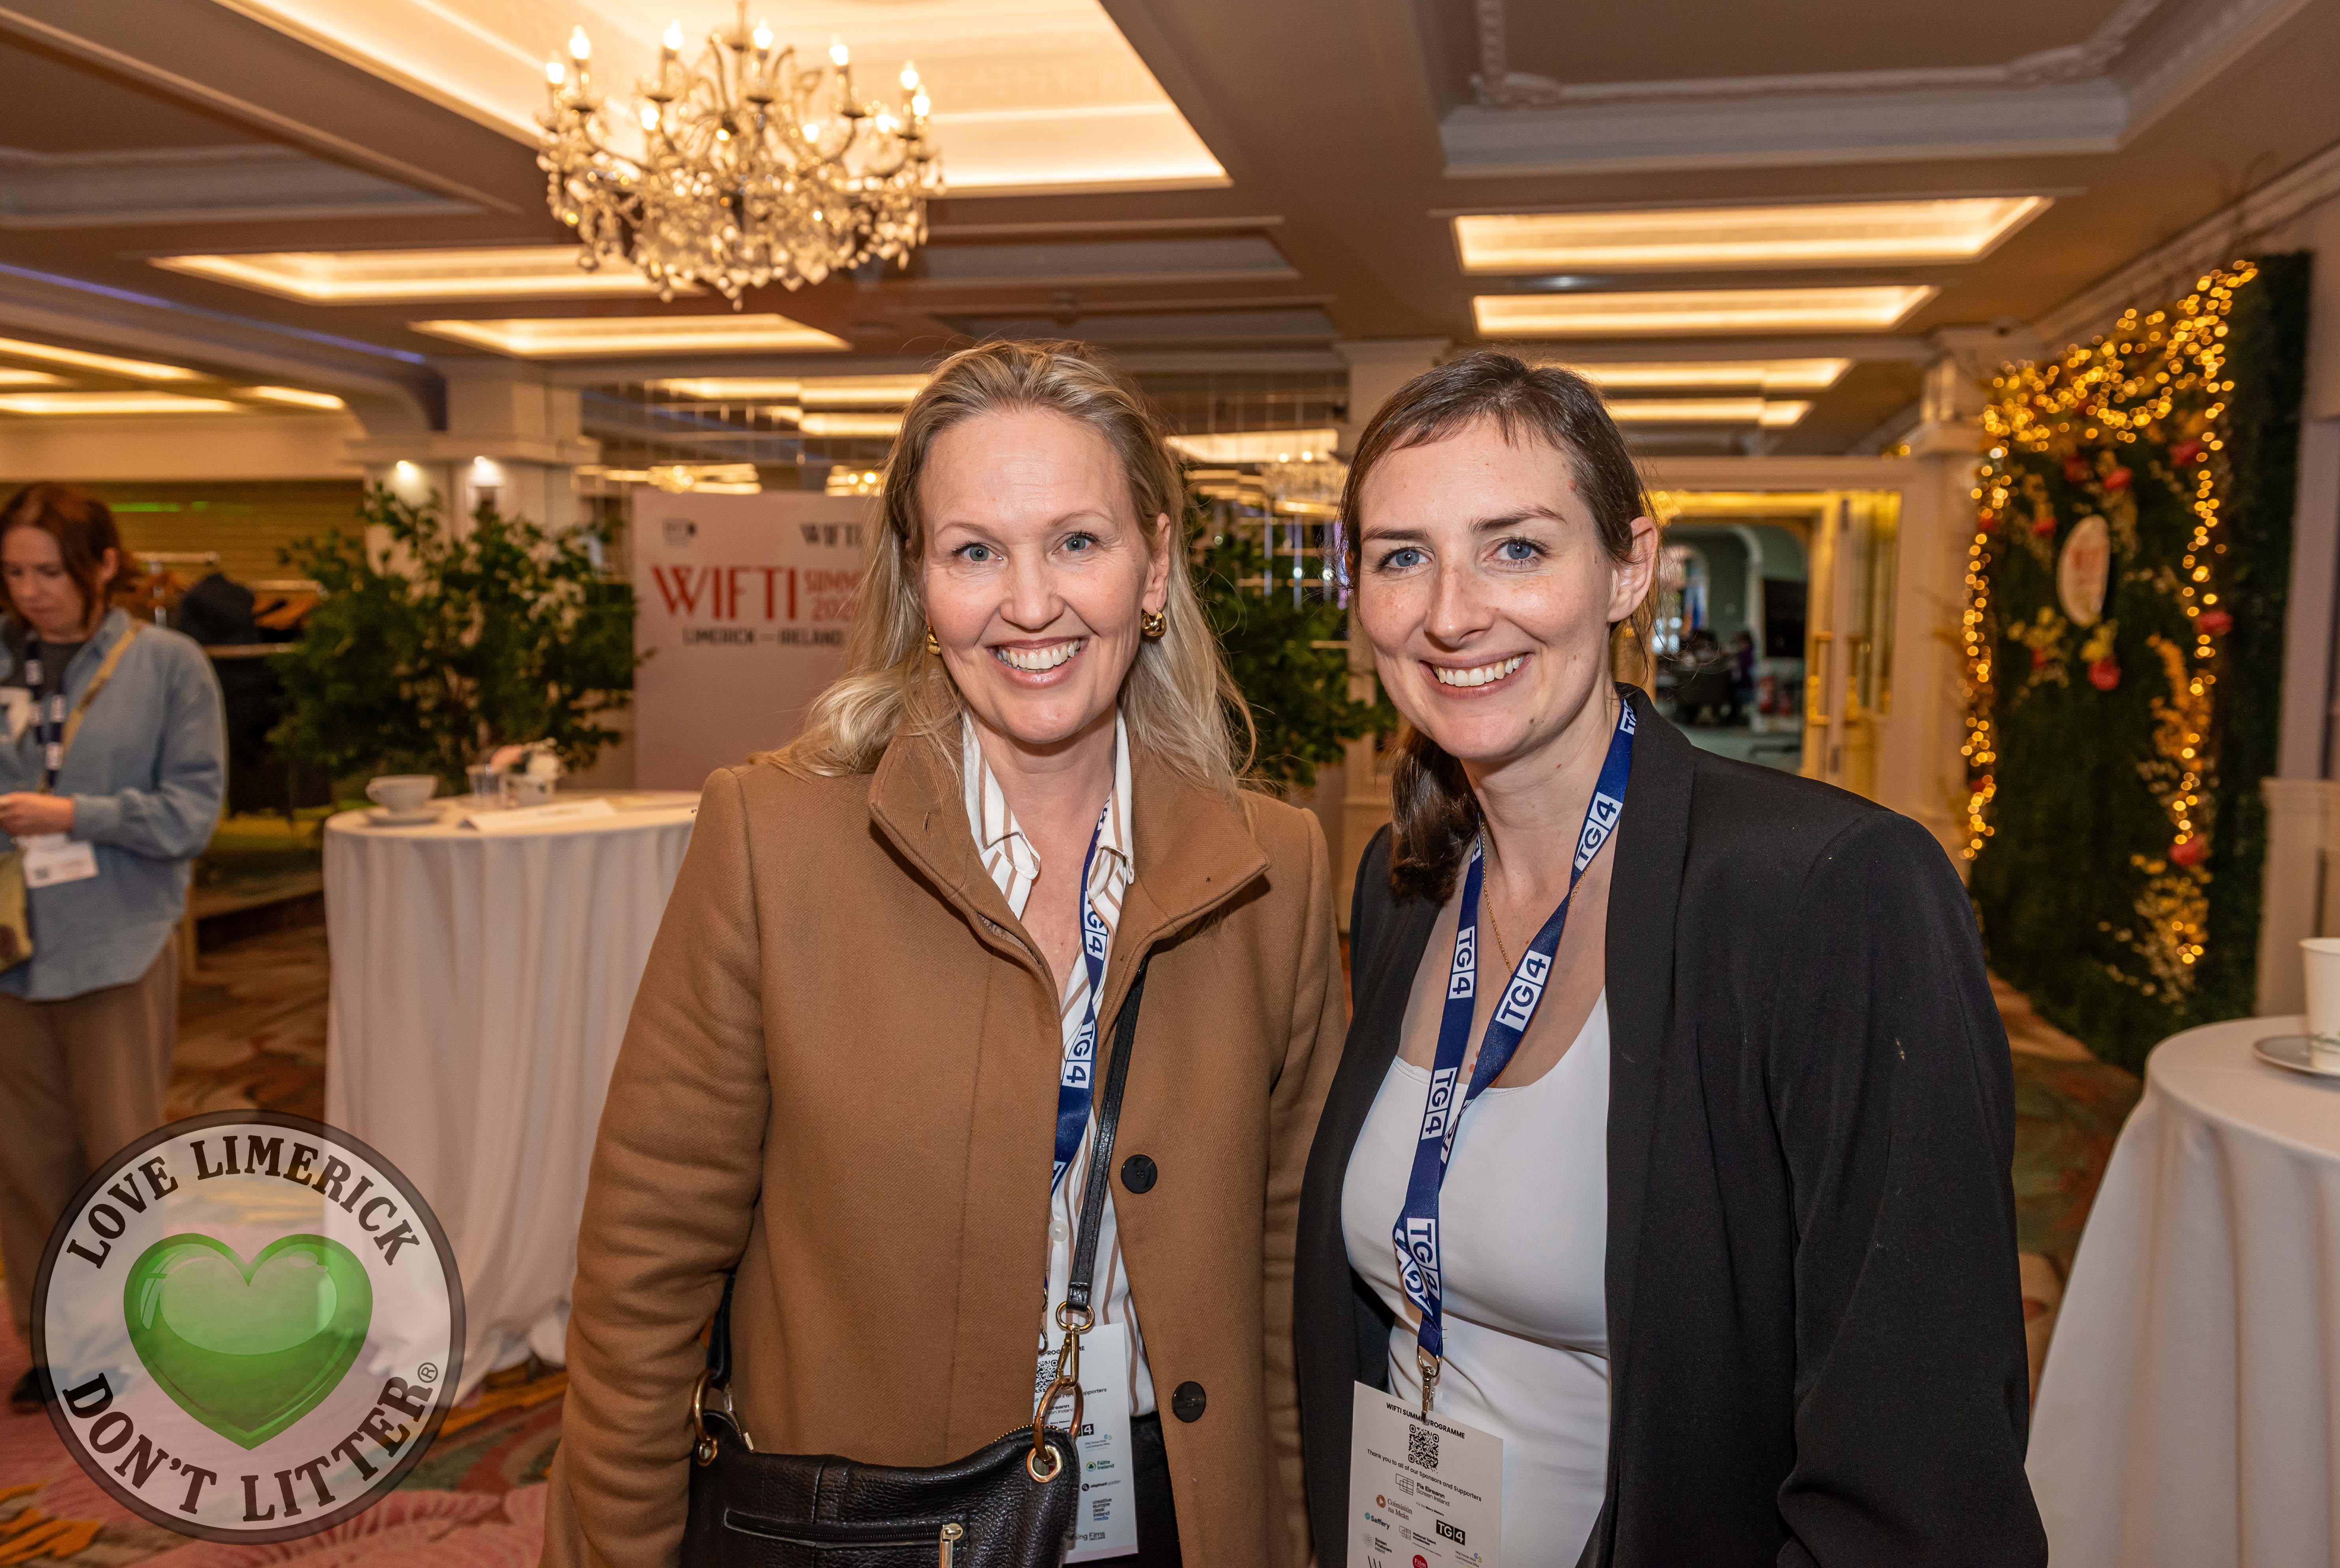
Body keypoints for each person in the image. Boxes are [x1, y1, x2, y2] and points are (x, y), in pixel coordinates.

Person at [545, 341, 1347, 1568]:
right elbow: (644, 1271)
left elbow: (1288, 1288)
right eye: (975, 552)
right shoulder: (773, 841)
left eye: (1076, 542)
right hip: (864, 1531)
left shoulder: (1273, 871)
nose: (1030, 604)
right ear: (920, 581)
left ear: (1153, 565)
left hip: (1171, 1514)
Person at [1294, 354, 2043, 1567]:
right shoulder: (1405, 883)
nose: (1452, 613)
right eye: (1402, 557)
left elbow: (1919, 1464)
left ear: (1629, 565)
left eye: (1516, 548)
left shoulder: (1828, 894)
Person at [0, 483, 224, 1412]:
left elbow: (191, 814)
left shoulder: (165, 665)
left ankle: (128, 1339)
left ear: (101, 565)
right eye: (14, 573)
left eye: (50, 572)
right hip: (12, 942)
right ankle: (57, 1345)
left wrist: (74, 813)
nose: (31, 592)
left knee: (117, 1153)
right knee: (24, 1157)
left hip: (116, 940)